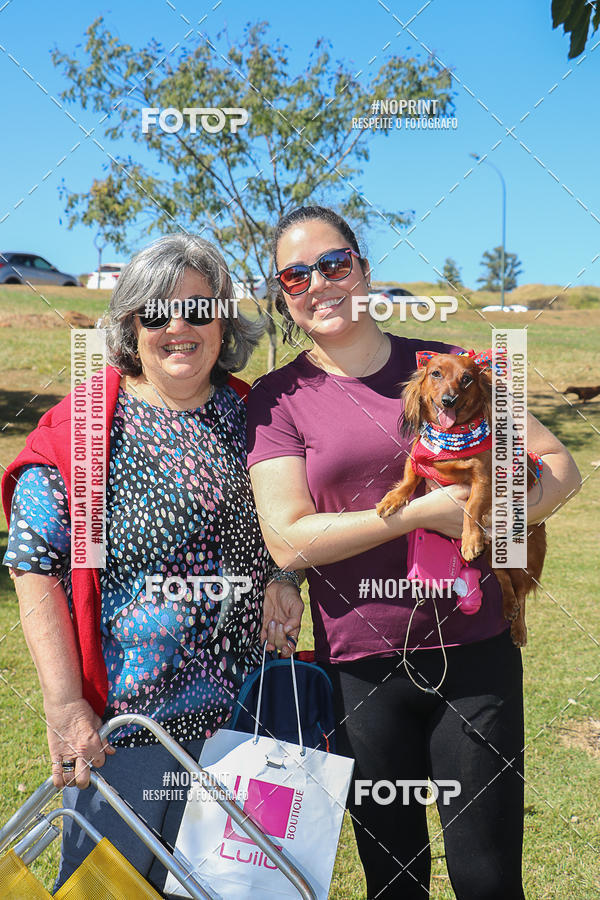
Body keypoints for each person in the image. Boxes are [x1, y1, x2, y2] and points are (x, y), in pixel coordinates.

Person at [246, 206, 581, 899]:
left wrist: (501, 514)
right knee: (394, 883)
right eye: (296, 274)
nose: (320, 283)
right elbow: (287, 535)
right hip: (361, 673)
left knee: (488, 880)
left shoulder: (447, 368)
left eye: (335, 264)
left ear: (364, 271)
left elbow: (559, 464)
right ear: (284, 295)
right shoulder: (279, 399)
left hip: (475, 655)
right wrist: (419, 513)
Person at [1, 234, 303, 894]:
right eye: (157, 309)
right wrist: (63, 703)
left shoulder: (259, 417)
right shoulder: (80, 428)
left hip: (248, 734)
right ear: (130, 320)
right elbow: (33, 570)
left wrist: (284, 579)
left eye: (199, 309)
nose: (178, 326)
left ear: (223, 322)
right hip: (124, 738)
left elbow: (292, 524)